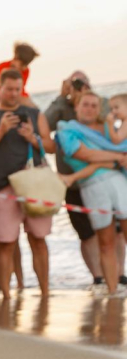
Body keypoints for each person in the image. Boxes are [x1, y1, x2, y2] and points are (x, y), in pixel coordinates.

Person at [0, 69, 55, 299]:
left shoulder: (33, 114)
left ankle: (45, 293)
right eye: (9, 89)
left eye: (17, 89)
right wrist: (0, 131)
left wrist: (32, 138)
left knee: (39, 239)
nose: (13, 94)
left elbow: (51, 146)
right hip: (2, 188)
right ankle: (6, 296)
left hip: (34, 186)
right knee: (6, 243)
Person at [56, 92, 127, 297]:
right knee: (105, 241)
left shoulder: (107, 129)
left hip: (118, 181)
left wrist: (113, 160)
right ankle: (112, 291)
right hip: (92, 186)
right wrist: (117, 157)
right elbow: (83, 154)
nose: (89, 109)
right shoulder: (67, 130)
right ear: (76, 107)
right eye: (85, 105)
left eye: (94, 105)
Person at [45, 71, 110, 131]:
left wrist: (86, 98)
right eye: (75, 84)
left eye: (82, 83)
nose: (79, 88)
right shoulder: (63, 107)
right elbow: (45, 125)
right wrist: (62, 97)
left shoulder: (101, 102)